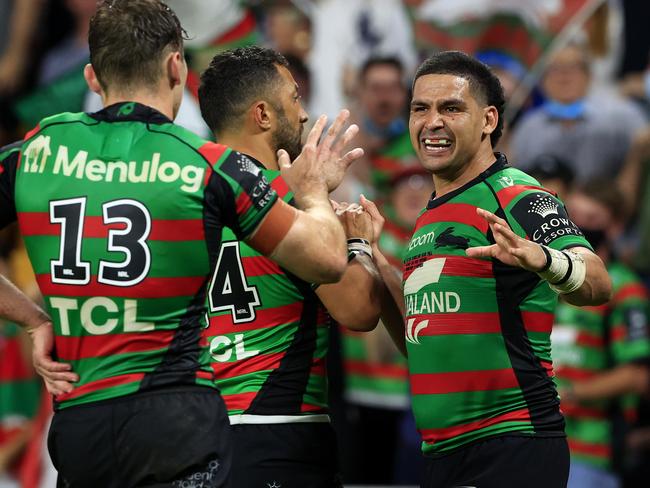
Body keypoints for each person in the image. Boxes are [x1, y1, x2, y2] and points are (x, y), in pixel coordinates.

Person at [0, 1, 364, 486]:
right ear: (177, 66)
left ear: (92, 76)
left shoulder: (36, 152)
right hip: (172, 419)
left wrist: (33, 319)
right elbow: (327, 259)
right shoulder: (205, 164)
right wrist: (314, 192)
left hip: (78, 424)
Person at [363, 50, 613, 488]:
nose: (432, 121)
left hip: (510, 441)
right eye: (420, 108)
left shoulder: (514, 194)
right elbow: (422, 338)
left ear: (489, 120)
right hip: (442, 452)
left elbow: (597, 281)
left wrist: (544, 258)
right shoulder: (429, 217)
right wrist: (371, 255)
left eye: (451, 108)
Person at [198, 46, 381, 488]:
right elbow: (360, 311)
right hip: (277, 431)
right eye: (295, 98)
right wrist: (357, 241)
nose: (303, 115)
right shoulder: (293, 205)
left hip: (192, 431)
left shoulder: (181, 198)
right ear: (262, 114)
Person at [553, 180, 650, 488]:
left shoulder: (623, 288)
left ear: (616, 227)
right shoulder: (547, 278)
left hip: (589, 454)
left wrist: (567, 395)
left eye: (591, 221)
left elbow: (637, 376)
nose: (578, 229)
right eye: (572, 219)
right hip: (537, 442)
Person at [510, 41, 647, 184]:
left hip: (603, 200)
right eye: (555, 69)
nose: (564, 75)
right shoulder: (529, 126)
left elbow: (644, 140)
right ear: (543, 81)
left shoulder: (619, 114)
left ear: (589, 76)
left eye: (573, 67)